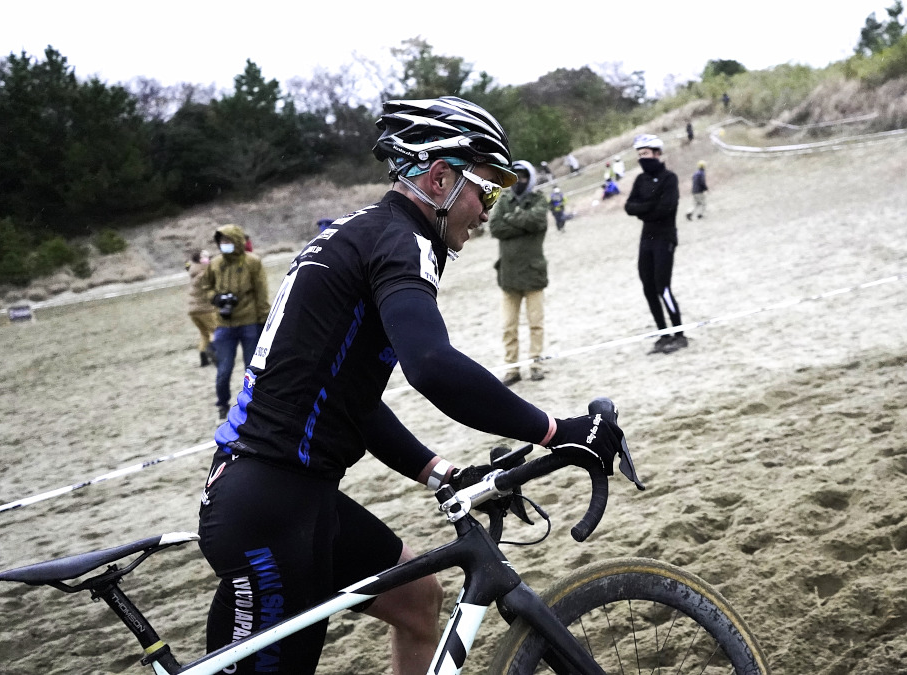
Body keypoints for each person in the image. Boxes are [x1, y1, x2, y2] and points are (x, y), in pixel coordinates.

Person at [196, 96, 626, 675]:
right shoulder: (403, 241)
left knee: (419, 598)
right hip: (270, 508)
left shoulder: (364, 233)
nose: (486, 212)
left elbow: (350, 401)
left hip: (293, 493)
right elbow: (432, 366)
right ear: (440, 176)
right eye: (486, 190)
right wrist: (558, 430)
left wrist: (440, 472)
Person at [624, 134, 686, 354]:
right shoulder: (640, 180)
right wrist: (650, 206)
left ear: (657, 154)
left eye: (646, 154)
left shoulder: (670, 178)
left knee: (663, 286)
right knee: (648, 288)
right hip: (646, 239)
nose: (643, 158)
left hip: (665, 237)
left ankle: (679, 334)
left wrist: (645, 208)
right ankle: (663, 334)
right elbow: (629, 206)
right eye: (640, 155)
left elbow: (666, 209)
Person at [490, 160, 549, 385]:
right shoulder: (503, 200)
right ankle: (512, 369)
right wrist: (522, 223)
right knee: (508, 327)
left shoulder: (539, 200)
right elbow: (495, 227)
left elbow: (537, 220)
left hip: (534, 275)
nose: (518, 182)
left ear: (530, 177)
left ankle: (536, 365)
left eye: (523, 177)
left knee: (536, 324)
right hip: (508, 276)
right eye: (514, 177)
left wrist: (512, 220)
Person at [203, 224, 270, 420]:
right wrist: (217, 298)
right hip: (224, 324)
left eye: (228, 240)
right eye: (221, 241)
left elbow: (261, 292)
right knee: (223, 371)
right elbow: (206, 286)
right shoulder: (215, 264)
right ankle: (222, 405)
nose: (224, 245)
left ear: (237, 241)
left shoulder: (253, 262)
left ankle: (255, 406)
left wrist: (263, 321)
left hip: (250, 322)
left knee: (252, 369)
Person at [186, 249, 218, 368]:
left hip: (193, 310)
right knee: (217, 331)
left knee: (204, 334)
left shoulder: (193, 272)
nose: (208, 258)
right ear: (199, 260)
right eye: (204, 256)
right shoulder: (203, 274)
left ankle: (203, 358)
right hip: (205, 309)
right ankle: (214, 352)